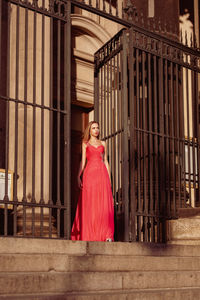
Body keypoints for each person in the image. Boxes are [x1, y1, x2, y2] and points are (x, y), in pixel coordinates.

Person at [71, 121, 114, 241]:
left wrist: (109, 180)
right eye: (93, 128)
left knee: (102, 205)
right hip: (89, 175)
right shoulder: (85, 143)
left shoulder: (103, 143)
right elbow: (83, 161)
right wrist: (78, 176)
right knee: (90, 203)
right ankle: (89, 234)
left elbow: (105, 161)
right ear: (89, 130)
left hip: (102, 175)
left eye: (97, 128)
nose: (96, 130)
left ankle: (106, 234)